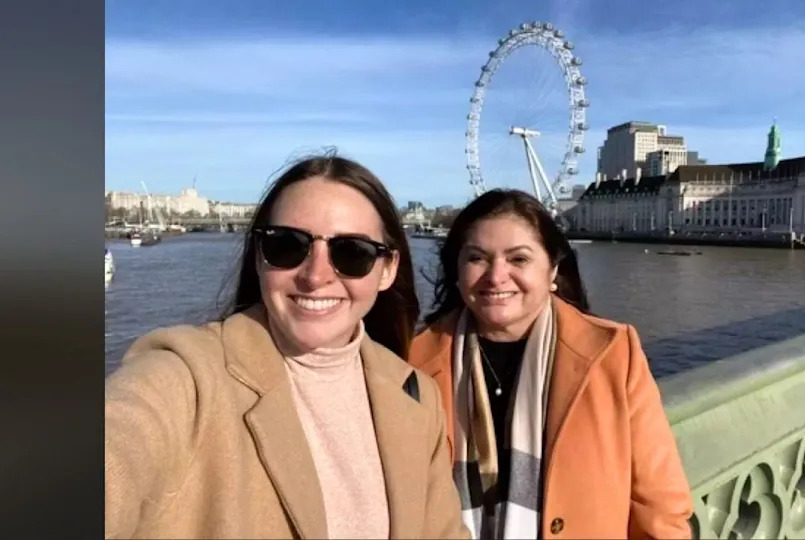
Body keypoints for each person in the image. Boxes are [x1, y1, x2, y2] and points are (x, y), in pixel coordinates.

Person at [105, 154, 469, 539]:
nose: (316, 276)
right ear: (259, 259)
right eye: (287, 246)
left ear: (388, 269)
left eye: (352, 253)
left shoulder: (416, 395)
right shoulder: (184, 380)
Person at [408, 189, 694, 539]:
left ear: (552, 270)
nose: (496, 276)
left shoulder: (614, 355)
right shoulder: (412, 365)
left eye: (519, 259)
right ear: (457, 270)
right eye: (477, 258)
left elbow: (659, 505)